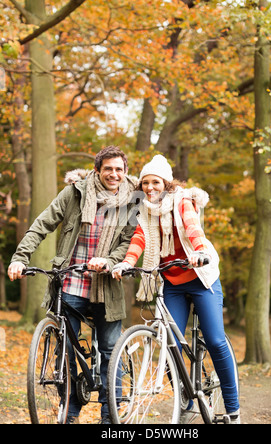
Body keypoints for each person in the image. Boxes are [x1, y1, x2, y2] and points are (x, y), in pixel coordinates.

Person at [8, 145, 138, 424]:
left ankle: (109, 418)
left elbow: (129, 241)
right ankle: (70, 413)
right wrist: (19, 258)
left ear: (125, 171)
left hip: (107, 285)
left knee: (109, 351)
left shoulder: (132, 200)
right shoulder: (75, 193)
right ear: (97, 171)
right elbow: (42, 224)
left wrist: (108, 259)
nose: (114, 174)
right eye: (108, 169)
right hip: (70, 282)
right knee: (65, 352)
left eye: (119, 169)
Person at [112, 154, 240, 424]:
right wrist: (126, 263)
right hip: (171, 283)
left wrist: (200, 251)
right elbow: (139, 238)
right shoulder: (144, 210)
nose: (150, 187)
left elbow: (193, 229)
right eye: (145, 182)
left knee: (216, 340)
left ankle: (233, 409)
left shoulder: (181, 201)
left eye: (155, 182)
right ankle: (187, 402)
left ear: (166, 183)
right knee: (171, 343)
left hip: (201, 278)